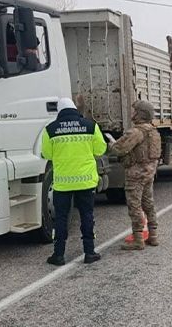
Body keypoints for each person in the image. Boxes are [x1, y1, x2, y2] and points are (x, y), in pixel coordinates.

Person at [41, 97, 107, 266]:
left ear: (59, 112)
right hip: (86, 182)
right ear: (75, 109)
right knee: (87, 215)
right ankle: (90, 252)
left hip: (62, 184)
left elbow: (47, 154)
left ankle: (58, 255)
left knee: (61, 219)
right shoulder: (90, 126)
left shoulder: (50, 129)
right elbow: (100, 149)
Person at [109, 100, 162, 250]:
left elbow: (119, 149)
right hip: (149, 173)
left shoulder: (136, 132)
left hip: (135, 174)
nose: (132, 113)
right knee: (148, 204)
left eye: (134, 111)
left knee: (134, 205)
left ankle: (138, 239)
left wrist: (110, 144)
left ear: (140, 114)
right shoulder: (153, 131)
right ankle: (153, 236)